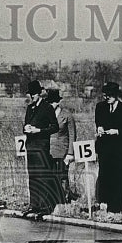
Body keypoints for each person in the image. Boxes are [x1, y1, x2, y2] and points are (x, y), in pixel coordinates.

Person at [94, 81, 122, 213]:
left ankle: (118, 205)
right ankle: (105, 202)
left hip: (120, 149)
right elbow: (98, 121)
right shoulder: (100, 107)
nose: (107, 98)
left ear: (116, 95)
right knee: (105, 176)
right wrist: (100, 128)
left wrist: (117, 131)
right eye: (105, 95)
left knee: (119, 176)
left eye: (110, 95)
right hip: (104, 148)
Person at [22, 80, 59, 218]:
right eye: (30, 94)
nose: (32, 96)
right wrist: (26, 129)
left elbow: (54, 127)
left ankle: (44, 207)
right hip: (30, 147)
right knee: (33, 176)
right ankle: (34, 205)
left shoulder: (47, 107)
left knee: (42, 176)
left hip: (41, 147)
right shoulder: (29, 108)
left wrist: (39, 130)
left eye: (34, 94)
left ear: (40, 93)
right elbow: (25, 125)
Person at [47, 89, 77, 205]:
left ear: (58, 102)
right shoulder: (46, 115)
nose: (51, 105)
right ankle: (53, 199)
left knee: (62, 176)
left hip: (62, 151)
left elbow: (72, 135)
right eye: (49, 103)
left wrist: (70, 153)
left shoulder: (67, 115)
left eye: (53, 102)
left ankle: (64, 200)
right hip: (49, 150)